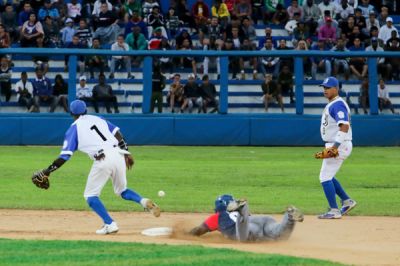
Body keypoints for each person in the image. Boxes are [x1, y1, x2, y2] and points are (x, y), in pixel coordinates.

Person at [32, 100, 160, 234]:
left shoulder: (73, 128)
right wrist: (127, 152)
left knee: (90, 195)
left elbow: (65, 156)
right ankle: (143, 201)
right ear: (86, 110)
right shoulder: (98, 118)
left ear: (71, 113)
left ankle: (109, 224)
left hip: (103, 159)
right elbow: (117, 133)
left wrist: (48, 171)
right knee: (122, 190)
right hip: (118, 154)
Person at [315, 77, 357, 219]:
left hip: (339, 144)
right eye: (324, 87)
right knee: (329, 175)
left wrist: (334, 147)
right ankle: (347, 201)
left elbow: (344, 126)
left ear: (336, 88)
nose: (325, 90)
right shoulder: (333, 104)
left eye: (328, 87)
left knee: (324, 177)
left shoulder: (337, 105)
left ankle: (334, 210)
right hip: (337, 144)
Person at [190, 195, 304, 241]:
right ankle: (289, 215)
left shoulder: (217, 217)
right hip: (261, 220)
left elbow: (198, 231)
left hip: (246, 227)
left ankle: (243, 208)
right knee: (280, 235)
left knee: (243, 238)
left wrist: (184, 234)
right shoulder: (223, 215)